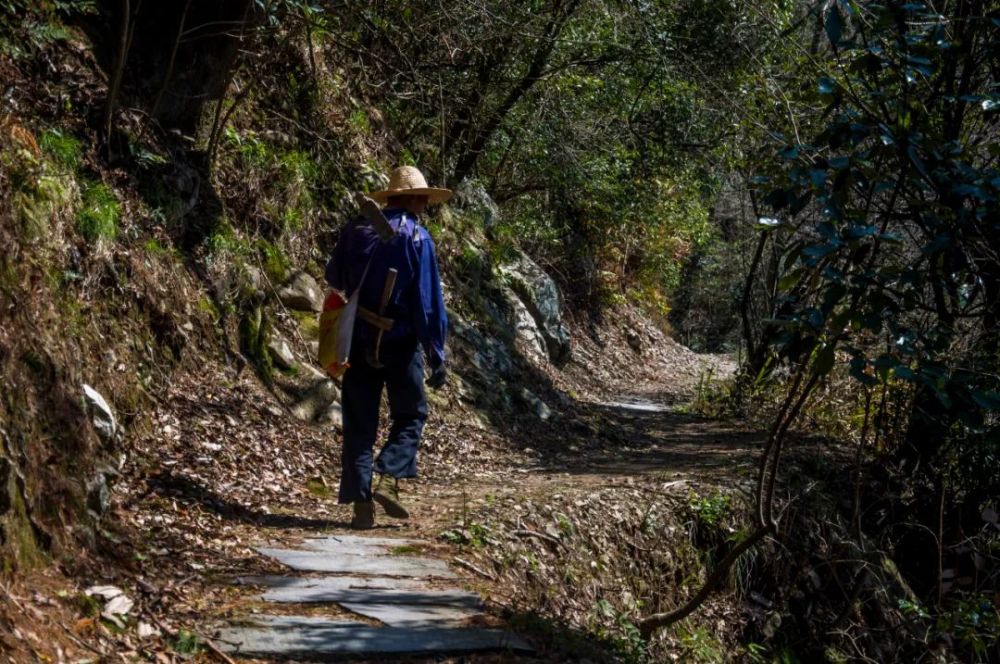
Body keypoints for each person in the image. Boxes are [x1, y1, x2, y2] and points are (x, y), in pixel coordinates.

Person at [325, 165, 450, 529]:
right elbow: (427, 304)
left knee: (359, 421)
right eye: (423, 197)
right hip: (400, 341)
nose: (426, 203)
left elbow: (335, 278)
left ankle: (360, 503)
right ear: (410, 198)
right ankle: (388, 475)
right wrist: (436, 353)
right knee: (411, 415)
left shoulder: (356, 230)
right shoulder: (419, 239)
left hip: (359, 335)